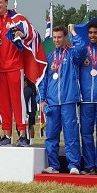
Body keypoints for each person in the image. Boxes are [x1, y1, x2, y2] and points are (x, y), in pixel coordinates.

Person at [0, 0, 33, 147]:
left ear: (6, 3)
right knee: (3, 103)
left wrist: (23, 35)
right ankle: (7, 135)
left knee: (18, 101)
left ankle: (22, 135)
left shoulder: (17, 19)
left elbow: (31, 35)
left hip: (15, 66)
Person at [39, 25, 82, 174]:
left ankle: (74, 165)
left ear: (65, 38)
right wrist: (42, 99)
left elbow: (82, 49)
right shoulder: (49, 57)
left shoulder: (72, 54)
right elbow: (43, 80)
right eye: (55, 37)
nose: (57, 40)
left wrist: (73, 32)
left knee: (71, 135)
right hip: (52, 102)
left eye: (60, 37)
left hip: (68, 100)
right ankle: (53, 165)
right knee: (51, 136)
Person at [71, 19, 97, 176]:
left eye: (96, 33)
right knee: (86, 134)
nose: (93, 35)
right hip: (86, 99)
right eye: (90, 33)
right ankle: (89, 165)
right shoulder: (81, 52)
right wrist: (74, 33)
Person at [24, 78, 37, 144]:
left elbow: (25, 100)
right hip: (32, 110)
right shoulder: (31, 89)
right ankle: (31, 140)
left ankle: (29, 140)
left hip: (29, 110)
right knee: (31, 126)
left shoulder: (27, 89)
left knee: (29, 126)